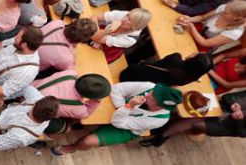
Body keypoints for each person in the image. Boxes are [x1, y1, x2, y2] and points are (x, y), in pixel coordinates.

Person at [53, 82, 184, 154]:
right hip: (118, 108)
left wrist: (129, 106)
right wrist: (121, 106)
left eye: (154, 96)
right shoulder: (150, 87)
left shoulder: (159, 120)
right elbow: (116, 89)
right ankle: (60, 127)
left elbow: (118, 122)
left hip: (127, 128)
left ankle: (71, 148)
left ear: (159, 105)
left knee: (88, 141)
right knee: (82, 109)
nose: (150, 93)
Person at [0, 88, 60, 152]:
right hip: (2, 110)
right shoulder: (37, 98)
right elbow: (24, 87)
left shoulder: (21, 136)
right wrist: (3, 97)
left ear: (34, 105)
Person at [32, 72, 111, 122]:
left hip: (29, 88)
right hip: (32, 110)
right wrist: (96, 101)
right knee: (66, 128)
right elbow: (86, 114)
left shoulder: (70, 73)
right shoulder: (77, 109)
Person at [178, 0, 246, 53]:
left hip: (202, 46)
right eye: (225, 9)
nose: (223, 12)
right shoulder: (224, 8)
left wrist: (192, 27)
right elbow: (202, 17)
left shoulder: (235, 32)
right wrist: (189, 19)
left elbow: (205, 43)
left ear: (236, 18)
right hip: (198, 30)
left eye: (226, 13)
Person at [120, 52, 214, 87]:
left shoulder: (175, 58)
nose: (193, 52)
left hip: (128, 76)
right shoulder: (189, 79)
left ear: (192, 60)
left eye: (195, 55)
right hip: (139, 88)